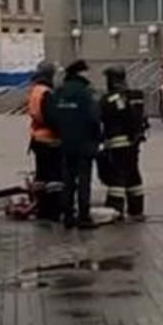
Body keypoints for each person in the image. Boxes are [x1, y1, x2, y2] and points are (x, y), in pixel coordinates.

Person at [47, 59, 101, 229]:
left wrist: (61, 132)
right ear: (80, 73)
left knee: (68, 180)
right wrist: (98, 138)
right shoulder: (87, 93)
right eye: (86, 71)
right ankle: (84, 217)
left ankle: (68, 216)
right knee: (84, 180)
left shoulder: (59, 92)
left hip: (66, 143)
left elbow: (51, 116)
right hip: (85, 143)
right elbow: (94, 118)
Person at [99, 66, 149, 220]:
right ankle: (136, 209)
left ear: (112, 80)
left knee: (117, 178)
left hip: (117, 144)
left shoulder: (110, 99)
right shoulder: (134, 96)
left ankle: (115, 209)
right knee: (133, 175)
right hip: (134, 143)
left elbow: (102, 119)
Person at [26, 61, 64, 221]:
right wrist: (63, 131)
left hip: (37, 139)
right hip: (50, 140)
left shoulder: (35, 90)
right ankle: (52, 211)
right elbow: (52, 117)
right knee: (54, 178)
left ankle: (42, 208)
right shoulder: (46, 93)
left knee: (41, 177)